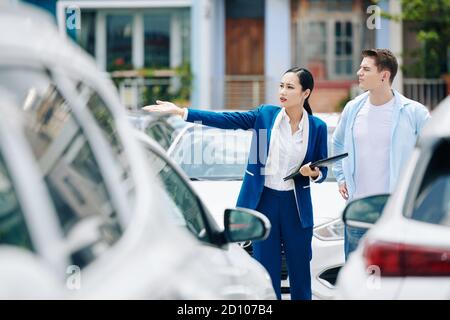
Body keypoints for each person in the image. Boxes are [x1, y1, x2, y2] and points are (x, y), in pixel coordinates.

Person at [143, 67, 328, 300]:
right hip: (265, 203)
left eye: (290, 87)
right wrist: (182, 112)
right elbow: (226, 120)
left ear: (305, 93)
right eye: (281, 85)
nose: (282, 91)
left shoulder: (317, 127)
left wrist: (312, 173)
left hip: (296, 206)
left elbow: (322, 169)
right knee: (267, 272)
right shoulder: (266, 116)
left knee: (300, 272)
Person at [332, 49, 430, 259]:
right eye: (361, 67)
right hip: (358, 212)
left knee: (394, 282)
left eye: (366, 69)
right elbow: (338, 143)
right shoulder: (352, 109)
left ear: (384, 76)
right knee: (355, 280)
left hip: (396, 215)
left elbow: (432, 156)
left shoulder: (414, 113)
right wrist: (341, 177)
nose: (359, 72)